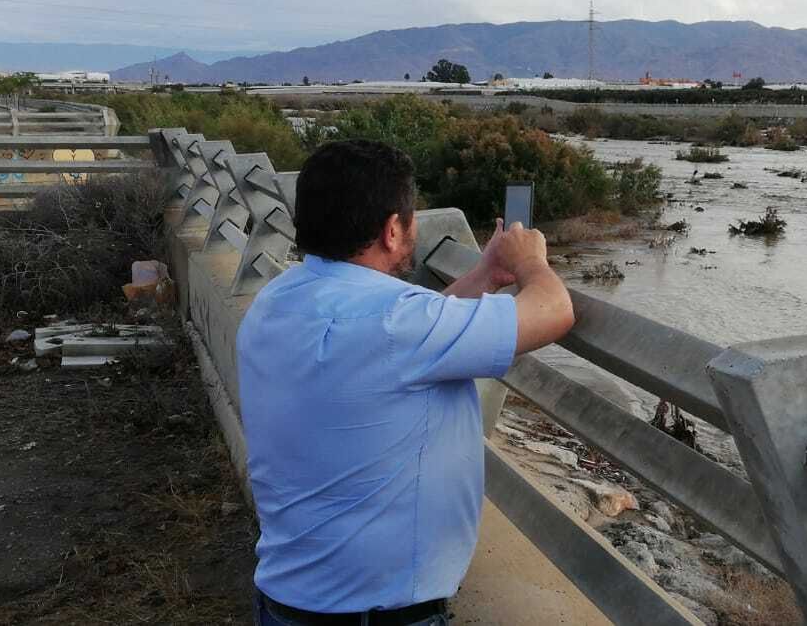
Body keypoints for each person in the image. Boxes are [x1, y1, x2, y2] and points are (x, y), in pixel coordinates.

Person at [236, 140, 575, 625]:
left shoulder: (276, 300)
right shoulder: (399, 323)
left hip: (287, 606)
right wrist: (530, 261)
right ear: (392, 230)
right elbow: (554, 311)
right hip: (379, 616)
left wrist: (484, 273)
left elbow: (409, 331)